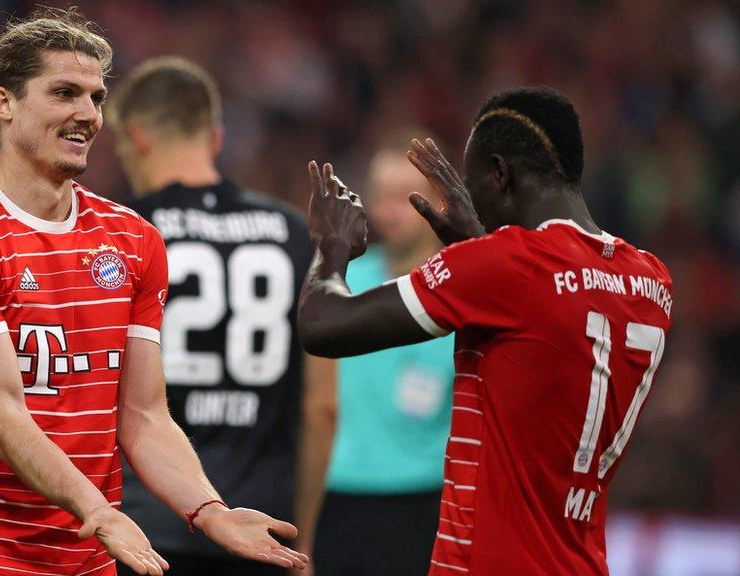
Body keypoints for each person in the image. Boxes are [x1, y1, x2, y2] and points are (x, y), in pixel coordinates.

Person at [0, 10, 307, 576]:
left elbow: (143, 416)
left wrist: (210, 511)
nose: (88, 115)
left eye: (96, 97)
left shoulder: (133, 240)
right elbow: (2, 413)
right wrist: (98, 508)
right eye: (65, 93)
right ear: (4, 103)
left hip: (93, 551)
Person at [298, 87, 672, 575]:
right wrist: (480, 247)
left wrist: (331, 246)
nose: (467, 197)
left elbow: (322, 325)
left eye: (473, 182)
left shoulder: (507, 268)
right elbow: (545, 332)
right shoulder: (650, 280)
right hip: (579, 559)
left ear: (500, 174)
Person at [106, 56, 330, 576]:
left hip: (148, 527)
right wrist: (307, 537)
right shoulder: (294, 232)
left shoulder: (120, 235)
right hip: (266, 527)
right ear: (216, 136)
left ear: (136, 138)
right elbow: (324, 406)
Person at [301, 136, 455, 576]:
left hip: (428, 504)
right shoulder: (339, 282)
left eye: (406, 197)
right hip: (341, 501)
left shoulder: (465, 289)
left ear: (439, 199)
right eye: (381, 196)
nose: (391, 210)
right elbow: (318, 408)